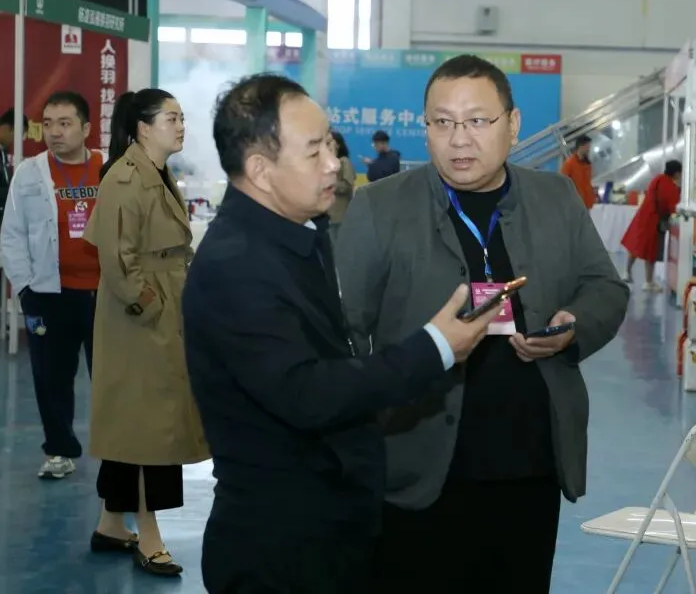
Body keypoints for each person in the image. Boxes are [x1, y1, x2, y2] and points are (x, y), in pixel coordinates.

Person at [182, 73, 500, 594]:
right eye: (314, 152)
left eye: (330, 144)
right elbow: (308, 392)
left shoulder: (298, 233)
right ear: (260, 170)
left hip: (328, 528)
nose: (333, 163)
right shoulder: (236, 266)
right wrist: (437, 347)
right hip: (280, 549)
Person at [338, 54, 629, 593]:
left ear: (512, 125)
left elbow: (605, 288)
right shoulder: (380, 208)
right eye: (442, 122)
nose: (459, 139)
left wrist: (574, 325)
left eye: (477, 120)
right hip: (417, 470)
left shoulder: (555, 198)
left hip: (529, 467)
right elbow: (345, 333)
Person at [83, 88, 208, 577]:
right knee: (149, 428)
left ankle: (112, 523)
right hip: (140, 317)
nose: (180, 126)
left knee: (135, 421)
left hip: (162, 306)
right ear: (143, 127)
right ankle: (149, 534)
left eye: (181, 117)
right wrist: (151, 306)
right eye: (171, 118)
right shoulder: (125, 178)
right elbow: (118, 262)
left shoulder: (156, 172)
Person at [0, 91, 101, 480]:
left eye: (65, 123)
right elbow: (12, 234)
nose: (55, 132)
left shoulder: (108, 168)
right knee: (51, 377)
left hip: (104, 295)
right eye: (48, 124)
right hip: (48, 294)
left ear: (86, 128)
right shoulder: (29, 172)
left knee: (111, 378)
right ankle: (59, 451)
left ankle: (119, 452)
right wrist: (25, 287)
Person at [621, 159, 682, 291]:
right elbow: (674, 209)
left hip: (643, 216)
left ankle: (627, 272)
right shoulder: (671, 187)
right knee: (651, 251)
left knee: (635, 245)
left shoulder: (657, 179)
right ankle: (648, 282)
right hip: (655, 221)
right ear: (677, 173)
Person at [0, 107, 28, 226]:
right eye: (19, 134)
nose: (17, 141)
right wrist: (17, 192)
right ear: (9, 128)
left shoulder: (3, 152)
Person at [328, 130, 356, 241]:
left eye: (331, 142)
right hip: (328, 214)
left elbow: (347, 186)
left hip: (339, 214)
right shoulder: (328, 163)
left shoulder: (344, 162)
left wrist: (330, 184)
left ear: (338, 145)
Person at [560, 134, 596, 209]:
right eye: (587, 146)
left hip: (587, 204)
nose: (589, 149)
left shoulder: (587, 164)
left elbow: (587, 183)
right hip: (575, 205)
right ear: (580, 146)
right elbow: (563, 184)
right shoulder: (569, 164)